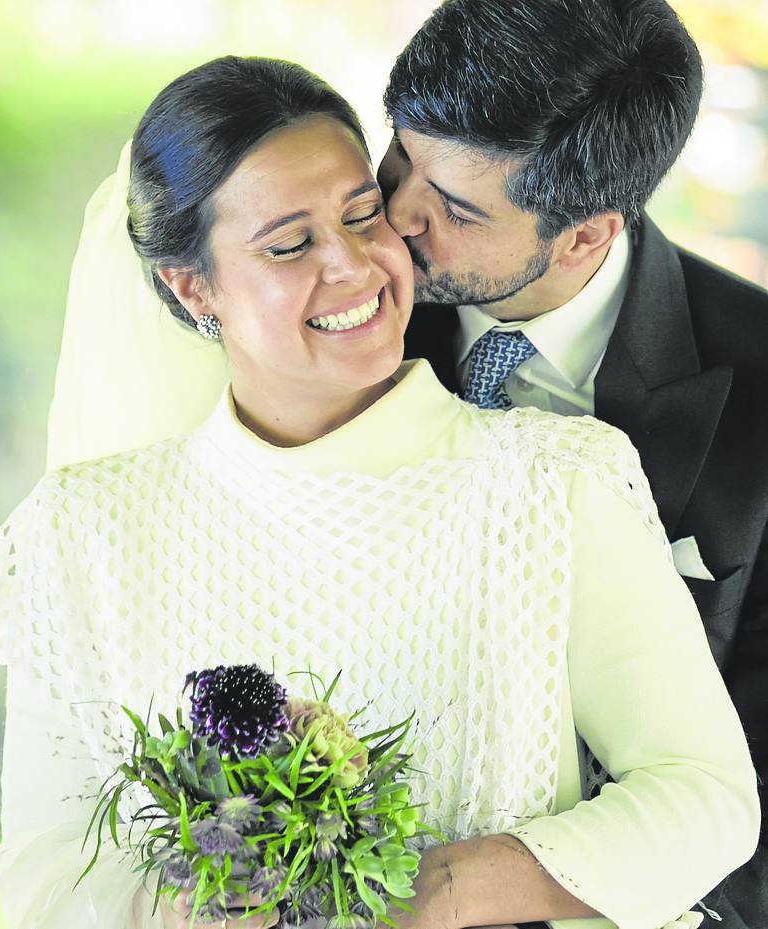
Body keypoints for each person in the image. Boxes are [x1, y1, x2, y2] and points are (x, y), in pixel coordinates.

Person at [0, 55, 759, 929]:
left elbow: (706, 799)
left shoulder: (557, 481)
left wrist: (442, 891)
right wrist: (205, 901)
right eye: (289, 243)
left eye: (363, 216)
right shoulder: (81, 531)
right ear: (192, 284)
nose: (354, 265)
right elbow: (44, 880)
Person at [375, 1, 768, 925]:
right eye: (399, 155)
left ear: (586, 233)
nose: (394, 216)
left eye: (456, 209)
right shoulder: (338, 308)